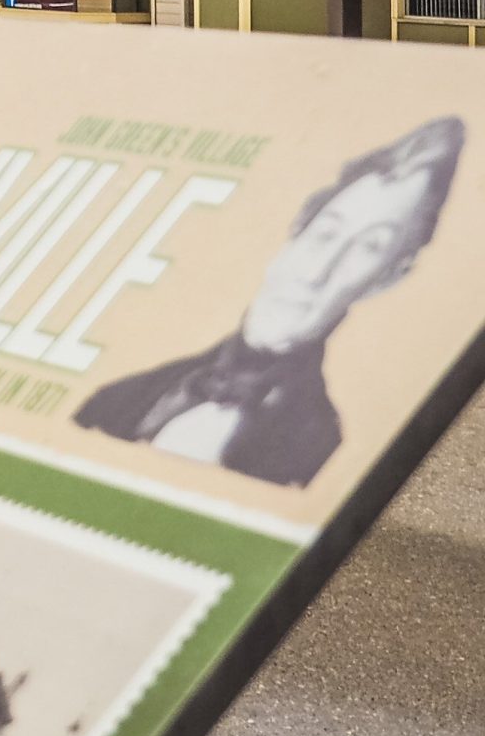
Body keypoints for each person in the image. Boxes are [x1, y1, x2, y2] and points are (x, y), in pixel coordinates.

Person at [75, 118, 464, 487]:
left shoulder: (319, 447)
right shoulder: (130, 393)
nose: (316, 273)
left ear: (386, 278)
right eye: (325, 234)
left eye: (368, 248)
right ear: (296, 232)